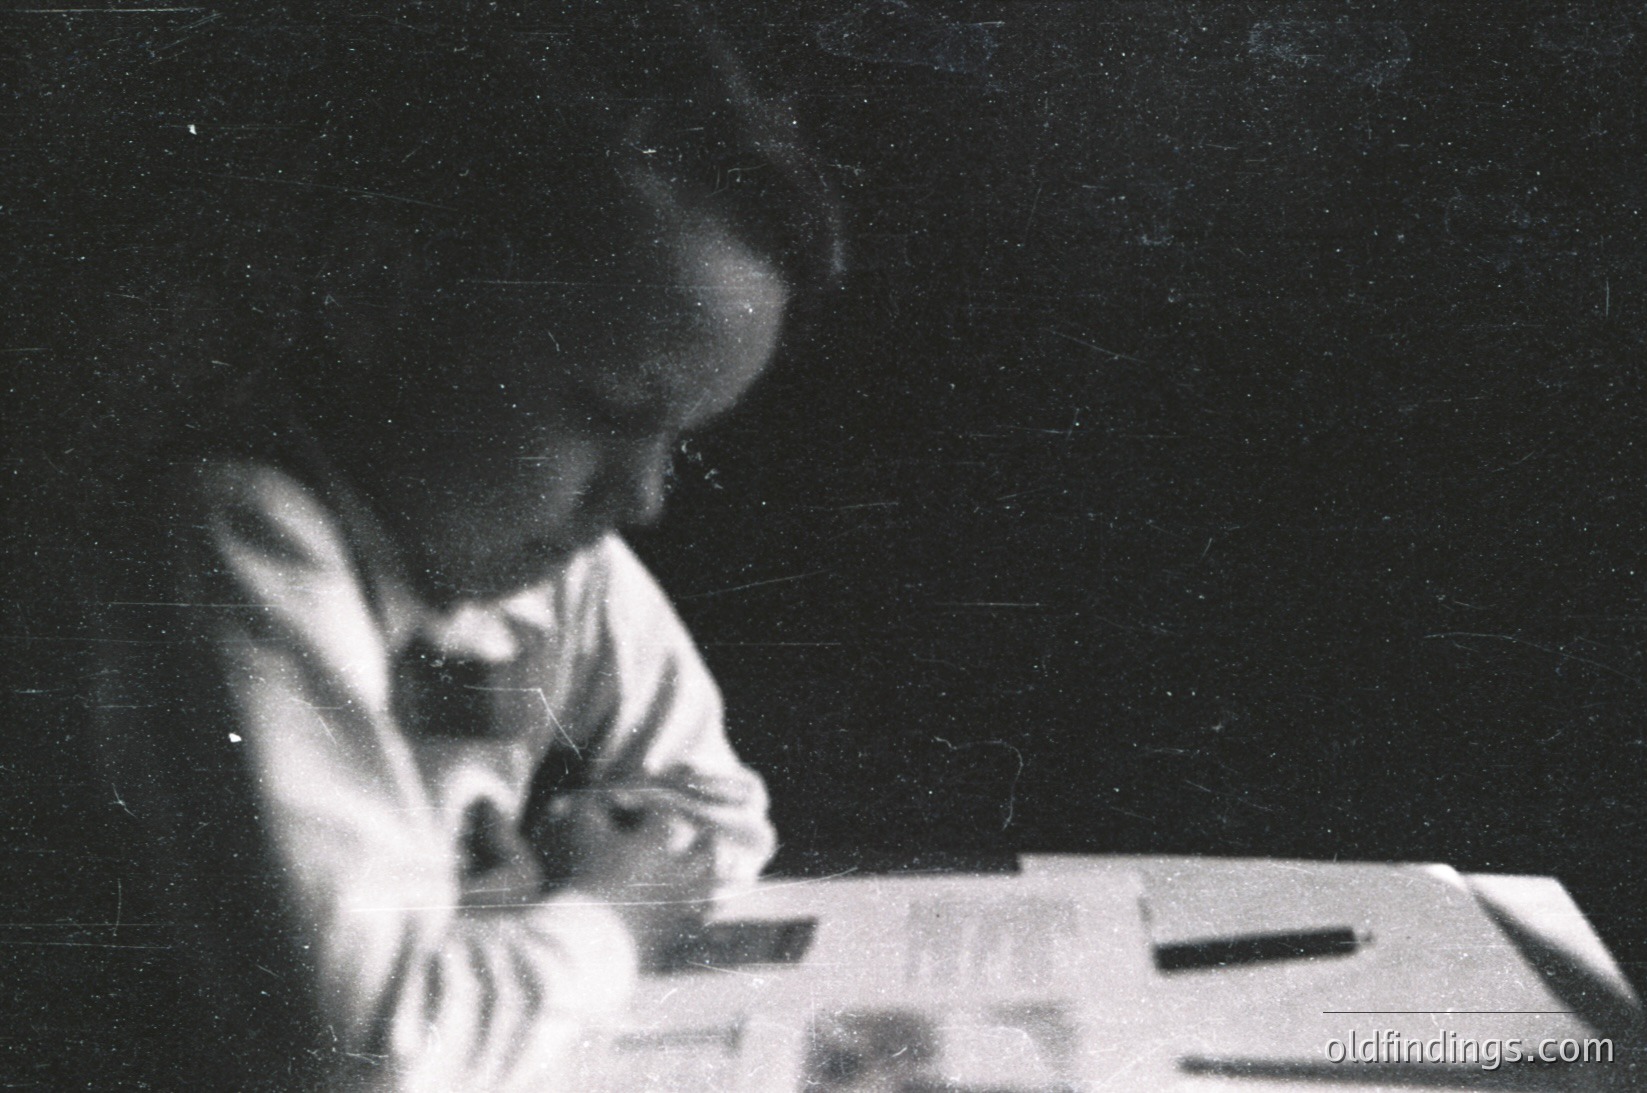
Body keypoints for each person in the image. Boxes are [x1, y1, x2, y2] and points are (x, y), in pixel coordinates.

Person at [0, 4, 840, 1089]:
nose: (642, 498)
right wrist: (606, 918)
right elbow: (364, 1056)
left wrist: (533, 902)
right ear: (377, 294)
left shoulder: (551, 566)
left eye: (677, 436)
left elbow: (717, 821)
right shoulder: (236, 537)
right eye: (610, 409)